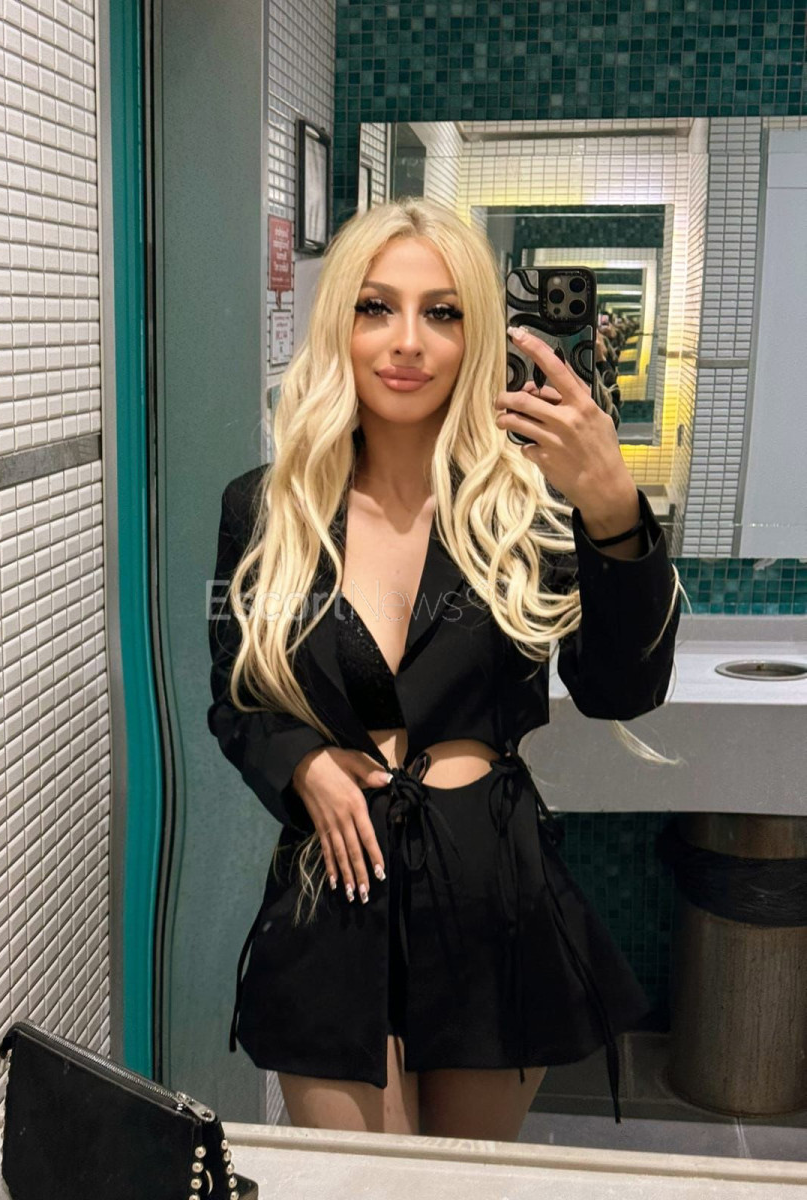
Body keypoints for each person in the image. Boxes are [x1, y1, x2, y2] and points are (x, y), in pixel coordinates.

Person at [208, 197, 684, 1142]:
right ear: (338, 323)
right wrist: (300, 764)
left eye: (442, 312)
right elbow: (235, 696)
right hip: (335, 881)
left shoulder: (525, 507)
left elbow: (620, 690)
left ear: (476, 338)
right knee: (358, 1185)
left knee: (464, 1184)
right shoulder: (265, 508)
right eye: (376, 307)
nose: (407, 341)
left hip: (489, 888)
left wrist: (612, 512)